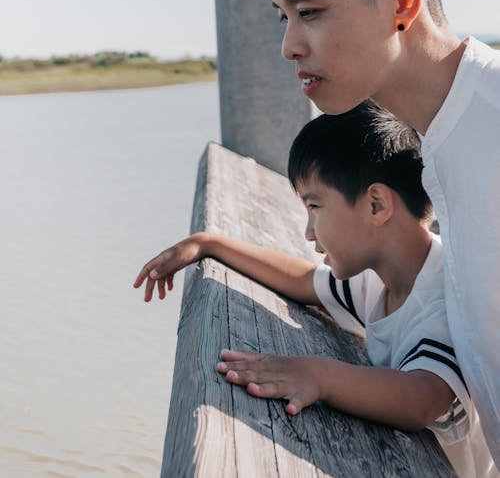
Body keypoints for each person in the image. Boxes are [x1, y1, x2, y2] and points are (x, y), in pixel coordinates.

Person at [266, 0, 500, 467]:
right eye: (283, 17)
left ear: (400, 1)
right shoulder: (441, 136)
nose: (290, 45)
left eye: (310, 11)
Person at [134, 102, 496, 477]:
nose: (308, 231)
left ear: (376, 205)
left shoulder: (448, 296)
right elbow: (301, 280)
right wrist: (210, 243)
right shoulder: (381, 281)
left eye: (315, 206)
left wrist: (321, 376)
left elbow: (424, 397)